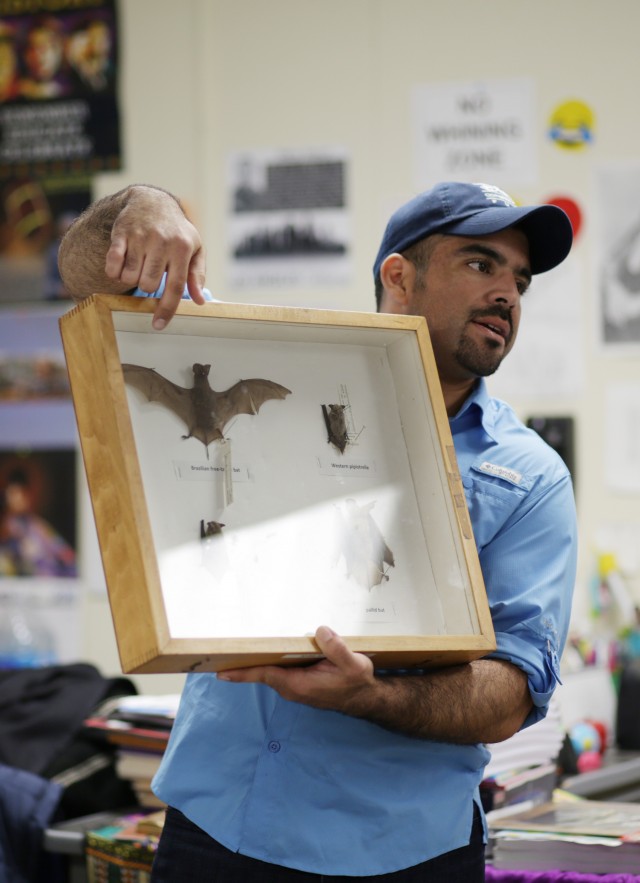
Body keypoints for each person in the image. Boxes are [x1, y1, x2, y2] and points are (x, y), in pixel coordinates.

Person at [58, 181, 577, 882]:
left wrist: (372, 696)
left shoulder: (529, 475)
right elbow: (82, 270)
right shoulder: (280, 369)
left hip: (400, 850)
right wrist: (144, 208)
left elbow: (512, 692)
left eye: (520, 279)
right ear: (400, 274)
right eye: (482, 264)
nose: (509, 295)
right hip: (217, 825)